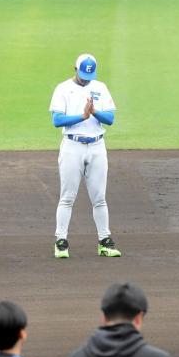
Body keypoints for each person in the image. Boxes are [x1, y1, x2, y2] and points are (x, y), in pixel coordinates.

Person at [49, 53, 121, 259]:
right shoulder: (63, 88)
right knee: (67, 197)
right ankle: (61, 242)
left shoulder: (100, 87)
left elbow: (110, 118)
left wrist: (94, 111)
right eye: (82, 75)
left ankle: (104, 241)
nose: (86, 79)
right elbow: (57, 120)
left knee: (99, 198)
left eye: (89, 75)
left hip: (97, 146)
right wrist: (82, 116)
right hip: (72, 146)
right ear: (75, 69)